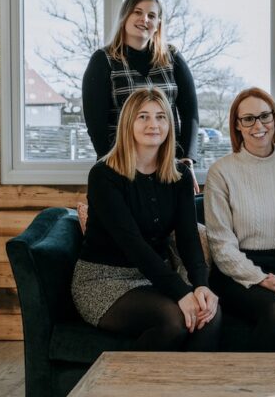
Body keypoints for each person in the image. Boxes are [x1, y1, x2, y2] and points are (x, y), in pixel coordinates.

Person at [71, 87, 220, 351]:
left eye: (161, 117)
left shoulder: (180, 176)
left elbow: (188, 239)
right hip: (104, 280)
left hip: (155, 277)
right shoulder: (104, 175)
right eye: (143, 117)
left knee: (210, 315)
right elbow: (133, 244)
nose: (154, 124)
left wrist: (200, 286)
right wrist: (181, 292)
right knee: (172, 320)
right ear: (129, 122)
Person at [204, 87, 275, 351]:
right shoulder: (221, 172)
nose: (258, 125)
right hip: (237, 270)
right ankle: (254, 387)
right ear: (238, 126)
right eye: (248, 119)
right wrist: (259, 278)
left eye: (265, 116)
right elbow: (221, 244)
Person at [83, 0, 200, 191]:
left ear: (158, 25)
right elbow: (96, 124)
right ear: (124, 17)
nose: (144, 19)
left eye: (151, 15)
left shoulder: (172, 58)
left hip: (167, 163)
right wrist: (112, 167)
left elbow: (190, 114)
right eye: (137, 12)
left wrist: (186, 161)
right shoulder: (103, 60)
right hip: (121, 163)